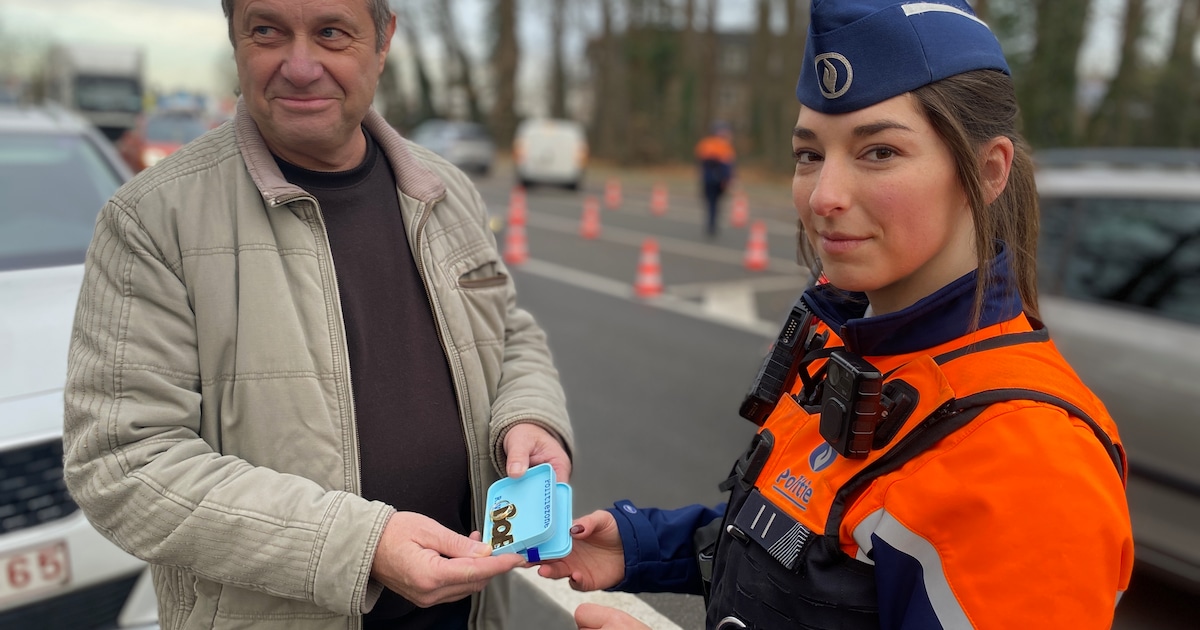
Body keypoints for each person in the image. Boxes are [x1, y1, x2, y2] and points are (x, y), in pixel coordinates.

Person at [540, 1, 1134, 628]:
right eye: (809, 155)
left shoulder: (1032, 460)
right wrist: (646, 547)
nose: (824, 197)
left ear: (987, 172)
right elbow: (809, 545)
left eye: (879, 152)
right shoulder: (839, 335)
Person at [61, 1, 573, 629]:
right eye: (268, 31)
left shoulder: (444, 190)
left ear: (383, 41)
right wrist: (360, 546)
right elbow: (123, 465)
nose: (300, 67)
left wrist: (530, 415)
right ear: (236, 40)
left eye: (332, 33)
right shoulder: (151, 219)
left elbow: (509, 331)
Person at [694, 122, 736, 237]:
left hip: (708, 179)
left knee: (711, 202)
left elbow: (700, 162)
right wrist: (729, 179)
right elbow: (728, 165)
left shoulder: (705, 144)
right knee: (715, 203)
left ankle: (711, 224)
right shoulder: (724, 146)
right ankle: (712, 224)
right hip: (718, 180)